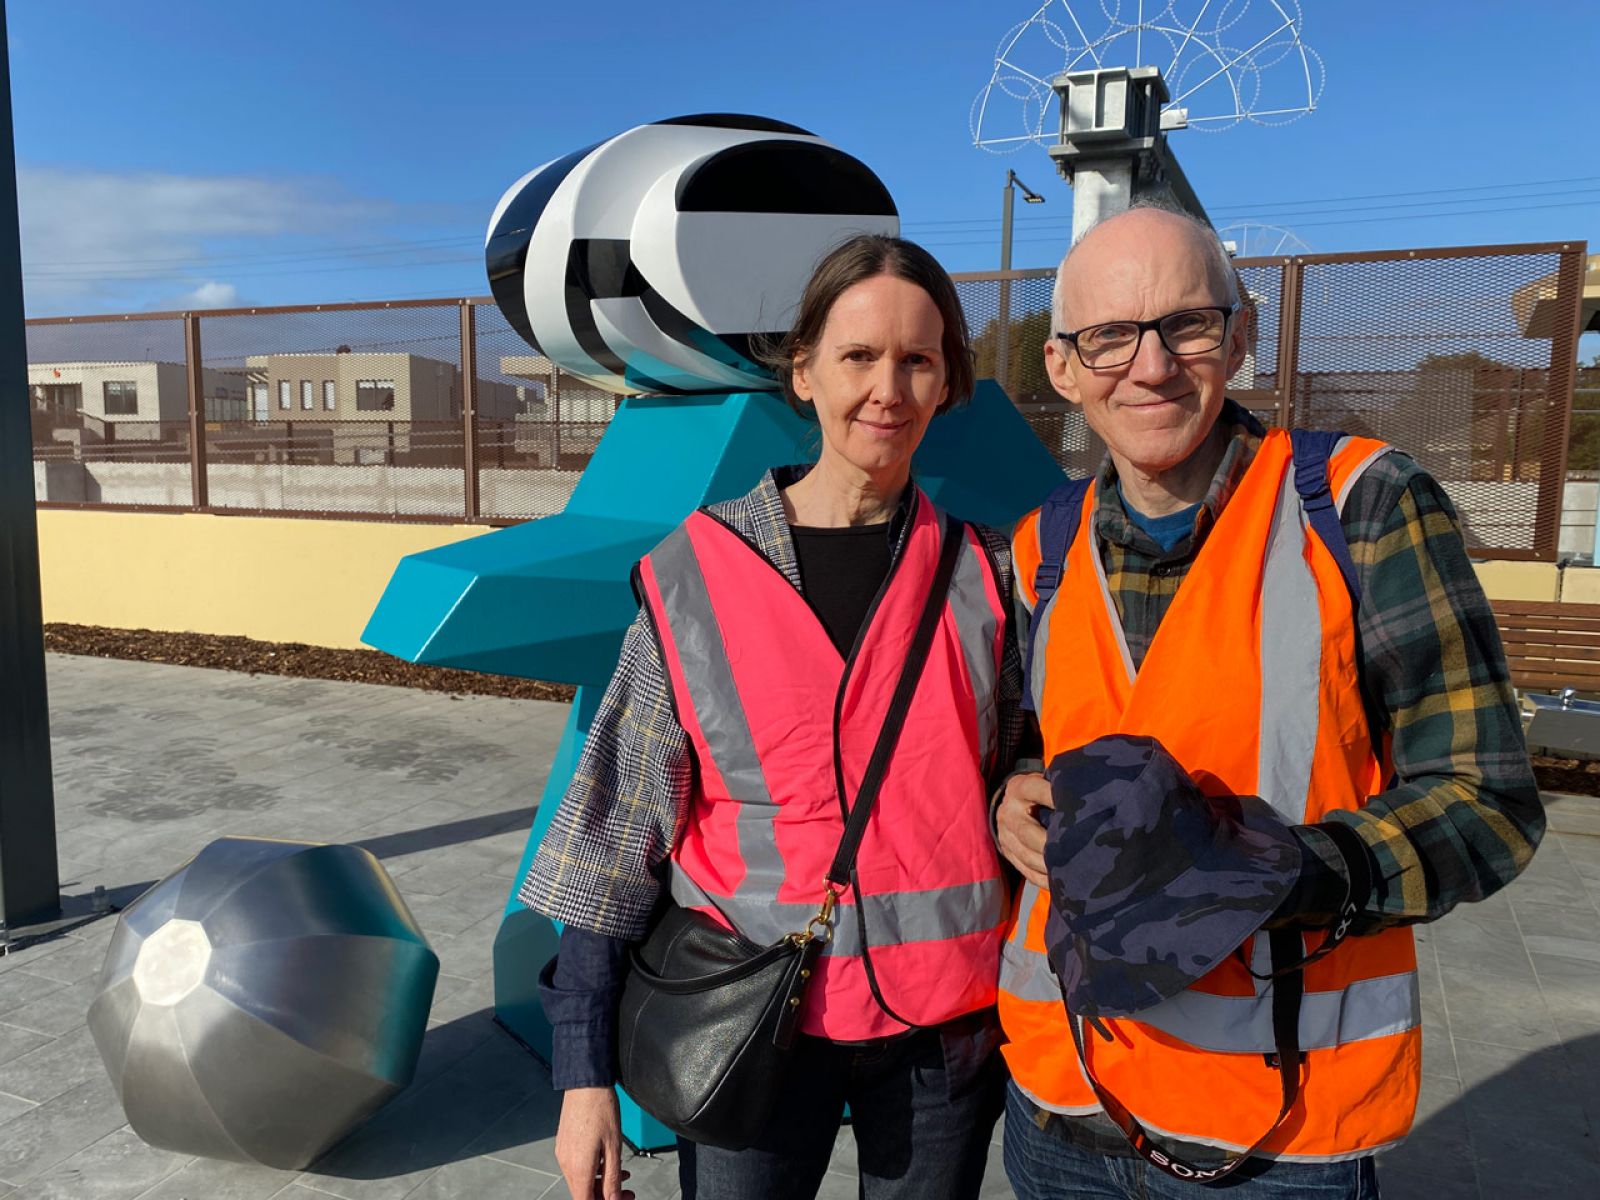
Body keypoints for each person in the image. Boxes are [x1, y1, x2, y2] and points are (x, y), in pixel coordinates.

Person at [994, 202, 1545, 1199]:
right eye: (1109, 336)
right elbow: (1031, 746)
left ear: (1240, 335)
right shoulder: (1040, 547)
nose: (1151, 366)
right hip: (1060, 1100)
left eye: (1187, 325)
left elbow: (1486, 800)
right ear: (1063, 369)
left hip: (1277, 1125)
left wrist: (1280, 872)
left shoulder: (1360, 505)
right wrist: (1013, 794)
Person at [518, 234, 1024, 1200]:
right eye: (858, 356)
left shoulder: (986, 575)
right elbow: (614, 843)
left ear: (948, 381)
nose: (889, 387)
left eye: (919, 360)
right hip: (748, 1019)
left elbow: (1012, 758)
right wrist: (584, 1079)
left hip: (941, 1038)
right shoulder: (693, 576)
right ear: (803, 371)